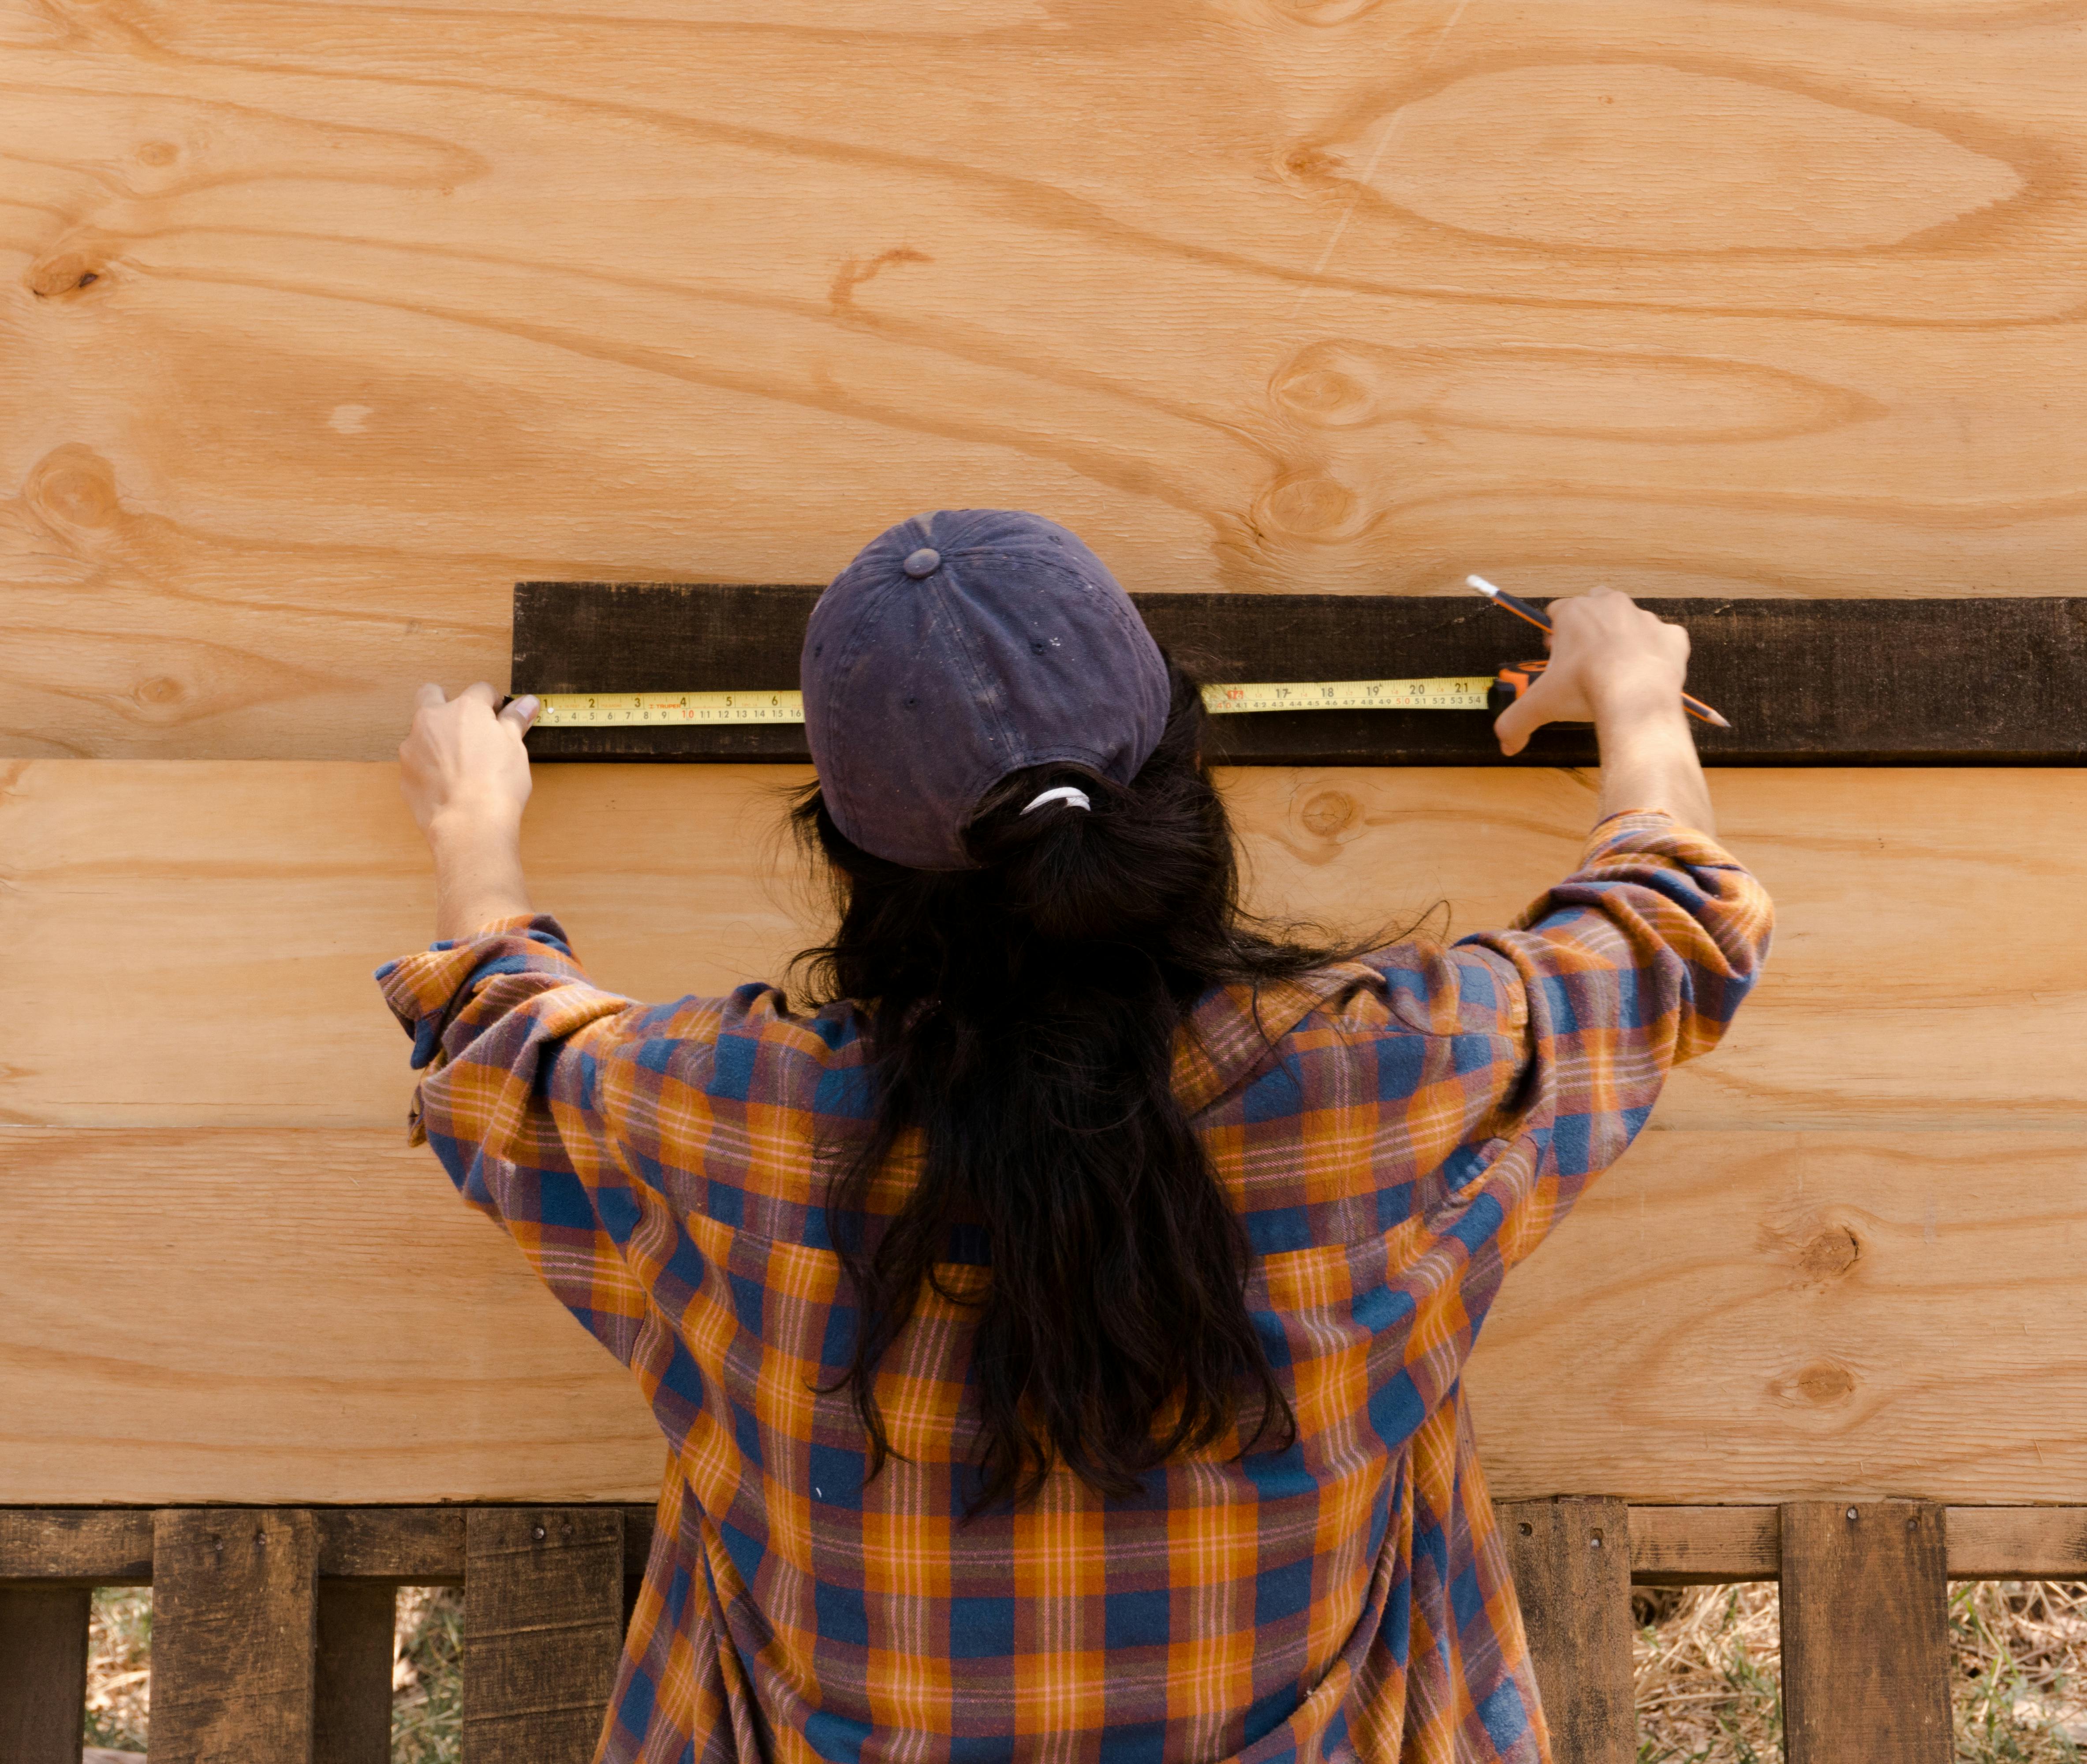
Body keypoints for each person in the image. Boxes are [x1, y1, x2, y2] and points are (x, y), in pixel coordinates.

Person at [380, 510, 1769, 1764]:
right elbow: (1670, 933)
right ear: (1177, 778)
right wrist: (1639, 702)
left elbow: (498, 1046)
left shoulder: (729, 1121)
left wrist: (473, 831)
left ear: (845, 856)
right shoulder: (1401, 1079)